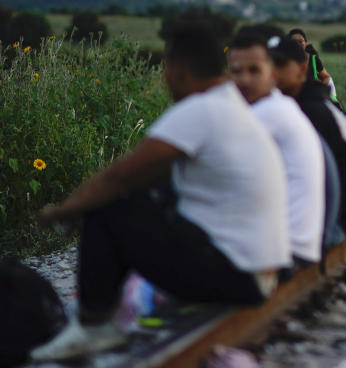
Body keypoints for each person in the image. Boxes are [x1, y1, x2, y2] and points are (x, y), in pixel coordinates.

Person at [32, 23, 290, 361]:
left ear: (179, 69)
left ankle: (94, 325)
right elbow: (152, 174)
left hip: (235, 274)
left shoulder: (201, 109)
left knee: (113, 205)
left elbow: (119, 175)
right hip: (257, 274)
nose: (166, 78)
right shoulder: (230, 106)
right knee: (139, 198)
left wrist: (59, 212)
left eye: (167, 68)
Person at [228, 31, 324, 266]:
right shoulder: (283, 106)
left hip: (282, 251)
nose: (244, 81)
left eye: (254, 71)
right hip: (297, 244)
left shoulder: (267, 113)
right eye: (236, 72)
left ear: (272, 73)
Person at [270, 35, 346, 241]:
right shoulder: (307, 101)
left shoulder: (311, 111)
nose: (273, 73)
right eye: (268, 65)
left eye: (280, 64)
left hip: (333, 222)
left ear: (302, 68)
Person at [288, 28, 338, 103]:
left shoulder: (313, 59)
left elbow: (326, 77)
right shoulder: (285, 61)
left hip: (313, 100)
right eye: (294, 41)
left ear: (306, 43)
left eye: (300, 41)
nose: (298, 43)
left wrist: (319, 90)